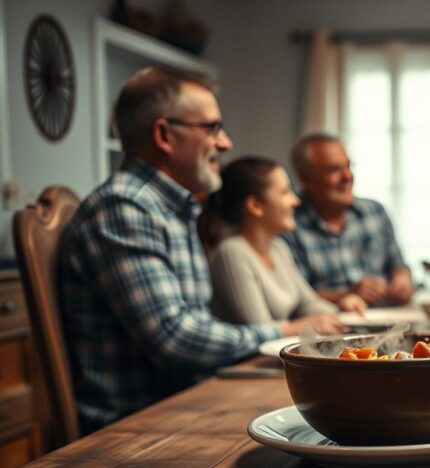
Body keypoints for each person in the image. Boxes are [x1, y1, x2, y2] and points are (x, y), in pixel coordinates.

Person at [59, 68, 342, 433]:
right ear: (164, 135)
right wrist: (281, 331)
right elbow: (174, 337)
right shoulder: (125, 206)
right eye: (212, 128)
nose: (225, 143)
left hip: (183, 406)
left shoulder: (170, 209)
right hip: (138, 428)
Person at [207, 156, 367, 325]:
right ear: (255, 206)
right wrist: (306, 324)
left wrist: (341, 308)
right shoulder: (232, 252)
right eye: (285, 192)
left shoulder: (278, 247)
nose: (296, 201)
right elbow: (260, 329)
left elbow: (308, 303)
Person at [283, 133, 413, 307]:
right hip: (333, 326)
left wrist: (402, 280)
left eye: (349, 166)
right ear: (306, 179)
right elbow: (294, 296)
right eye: (334, 169)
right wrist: (346, 294)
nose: (347, 176)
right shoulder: (288, 225)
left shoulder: (374, 211)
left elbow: (398, 264)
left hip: (389, 317)